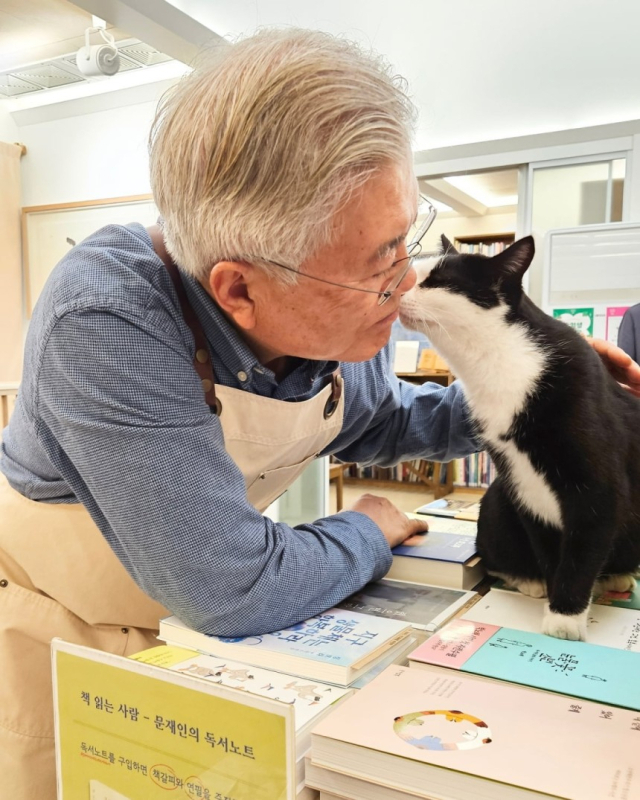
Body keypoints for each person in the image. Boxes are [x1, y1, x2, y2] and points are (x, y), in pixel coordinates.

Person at [1, 28, 639, 798]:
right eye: (381, 261)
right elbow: (232, 589)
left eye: (408, 239)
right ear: (239, 290)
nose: (406, 284)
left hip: (224, 631)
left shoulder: (334, 322)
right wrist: (366, 525)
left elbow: (394, 421)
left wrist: (545, 398)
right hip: (81, 625)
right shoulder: (107, 321)